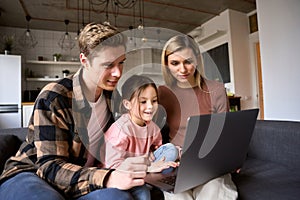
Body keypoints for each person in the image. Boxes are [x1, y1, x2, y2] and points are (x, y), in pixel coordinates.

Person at [0, 23, 150, 200]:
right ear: (84, 61)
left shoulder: (112, 97)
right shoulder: (54, 97)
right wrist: (108, 177)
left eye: (121, 63)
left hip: (81, 176)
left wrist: (150, 162)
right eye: (108, 65)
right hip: (34, 171)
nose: (117, 73)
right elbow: (49, 167)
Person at [157, 35, 238, 200]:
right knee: (178, 197)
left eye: (188, 61)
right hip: (176, 163)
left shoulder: (216, 89)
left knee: (213, 191)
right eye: (175, 63)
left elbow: (225, 133)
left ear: (198, 59)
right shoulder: (162, 94)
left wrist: (230, 158)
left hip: (209, 162)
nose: (182, 69)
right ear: (166, 64)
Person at [101, 74, 178, 200]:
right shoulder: (121, 130)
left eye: (154, 101)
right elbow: (112, 166)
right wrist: (148, 167)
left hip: (144, 166)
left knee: (171, 149)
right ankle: (149, 179)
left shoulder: (152, 127)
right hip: (118, 171)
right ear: (127, 104)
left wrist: (152, 152)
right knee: (143, 193)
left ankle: (153, 178)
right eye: (143, 102)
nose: (150, 106)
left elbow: (157, 146)